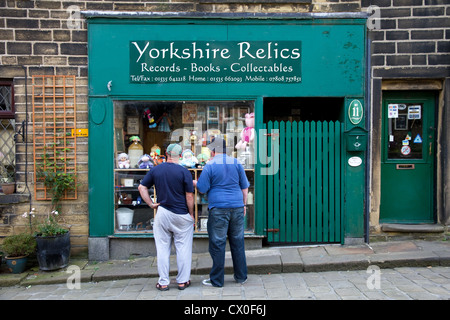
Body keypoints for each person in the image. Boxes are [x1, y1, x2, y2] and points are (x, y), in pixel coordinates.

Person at [193, 137, 250, 287]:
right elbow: (245, 188)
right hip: (237, 206)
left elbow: (202, 188)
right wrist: (243, 205)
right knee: (238, 242)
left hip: (218, 208)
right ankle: (241, 276)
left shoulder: (210, 165)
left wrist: (195, 183)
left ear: (213, 150)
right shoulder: (236, 162)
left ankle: (217, 280)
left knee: (218, 244)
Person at [138, 143, 195, 291]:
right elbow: (189, 195)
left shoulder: (156, 170)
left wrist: (151, 204)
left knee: (162, 248)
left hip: (163, 212)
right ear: (180, 155)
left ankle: (163, 282)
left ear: (166, 153)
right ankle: (182, 281)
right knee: (183, 248)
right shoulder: (185, 172)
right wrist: (191, 213)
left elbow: (141, 187)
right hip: (182, 214)